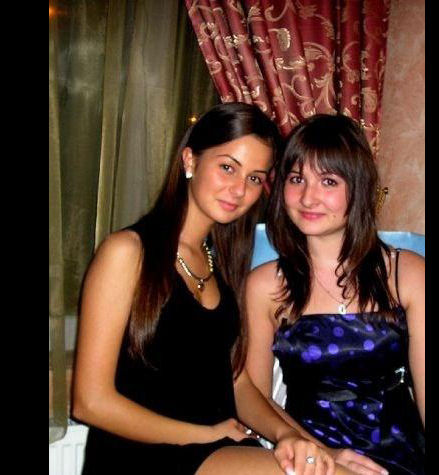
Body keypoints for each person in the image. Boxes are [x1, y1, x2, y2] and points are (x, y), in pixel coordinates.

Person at [72, 103, 373, 475]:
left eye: (255, 178)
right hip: (141, 455)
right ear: (190, 160)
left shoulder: (221, 261)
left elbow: (237, 382)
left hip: (213, 448)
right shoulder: (128, 252)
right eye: (228, 167)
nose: (239, 189)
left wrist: (306, 444)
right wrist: (202, 434)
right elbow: (90, 402)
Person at [245, 114, 425, 475]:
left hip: (399, 452)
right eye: (297, 179)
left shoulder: (407, 273)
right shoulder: (264, 285)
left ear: (358, 188)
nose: (308, 197)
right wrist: (319, 451)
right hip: (308, 455)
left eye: (328, 181)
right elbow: (255, 398)